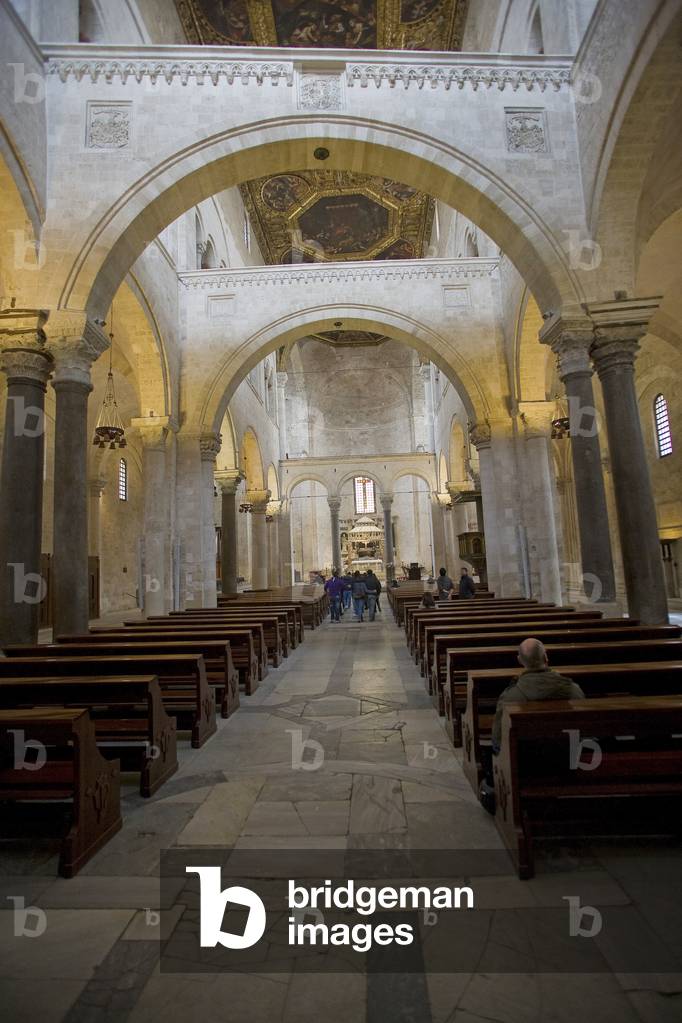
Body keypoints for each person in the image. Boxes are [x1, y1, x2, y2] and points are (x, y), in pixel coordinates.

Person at [478, 639, 586, 815]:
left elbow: (498, 739)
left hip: (527, 762)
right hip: (567, 759)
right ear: (546, 657)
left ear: (520, 660)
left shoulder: (512, 696)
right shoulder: (574, 690)